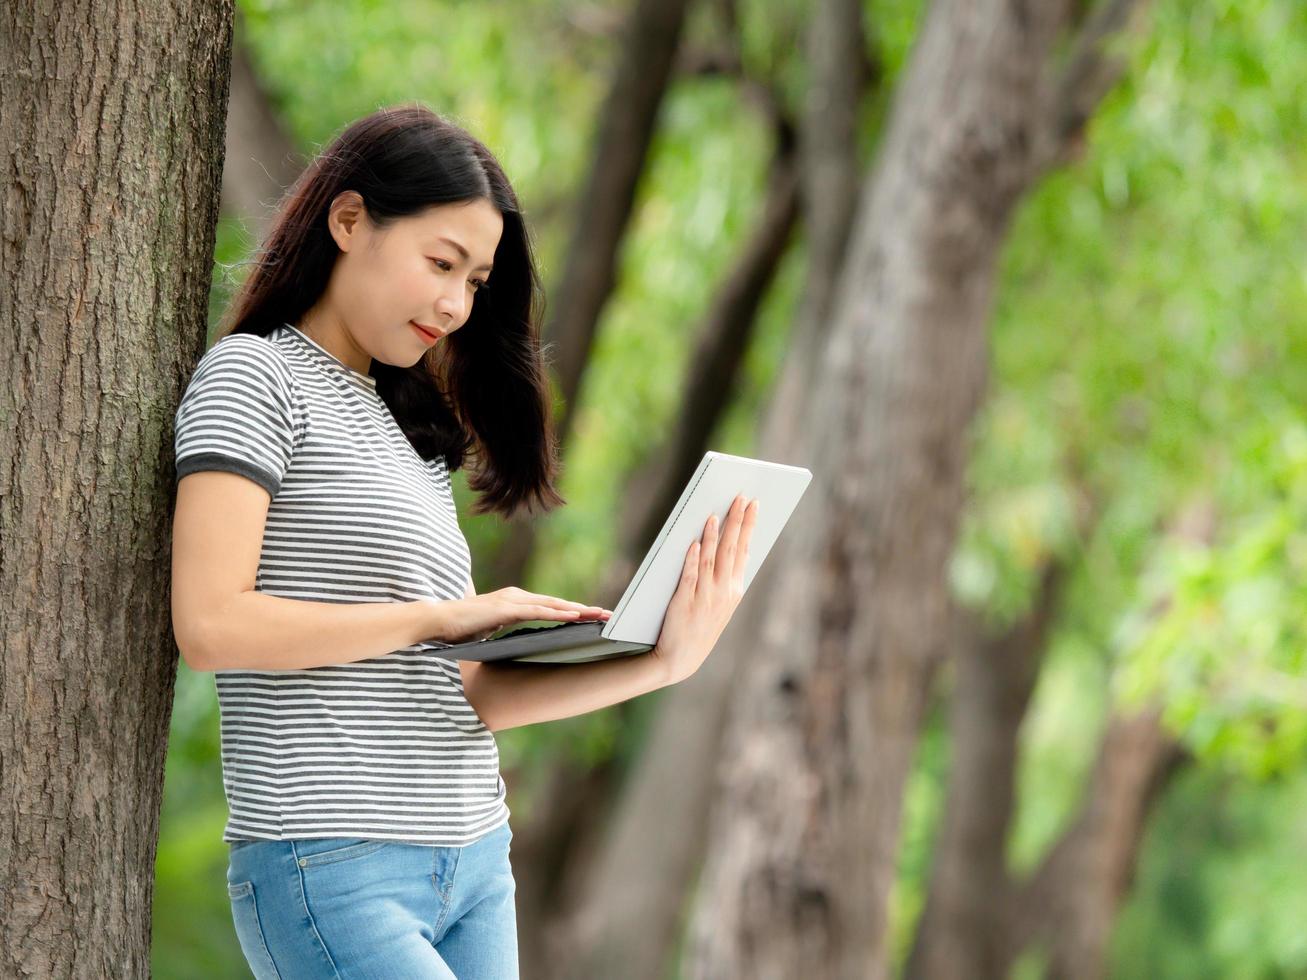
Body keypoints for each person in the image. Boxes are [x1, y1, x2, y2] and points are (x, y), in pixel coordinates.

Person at [169, 103, 759, 980]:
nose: (454, 304)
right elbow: (211, 625)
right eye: (441, 263)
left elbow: (467, 696)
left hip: (475, 858)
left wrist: (663, 661)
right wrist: (437, 619)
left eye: (475, 282)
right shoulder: (254, 378)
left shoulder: (400, 429)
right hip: (333, 863)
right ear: (348, 221)